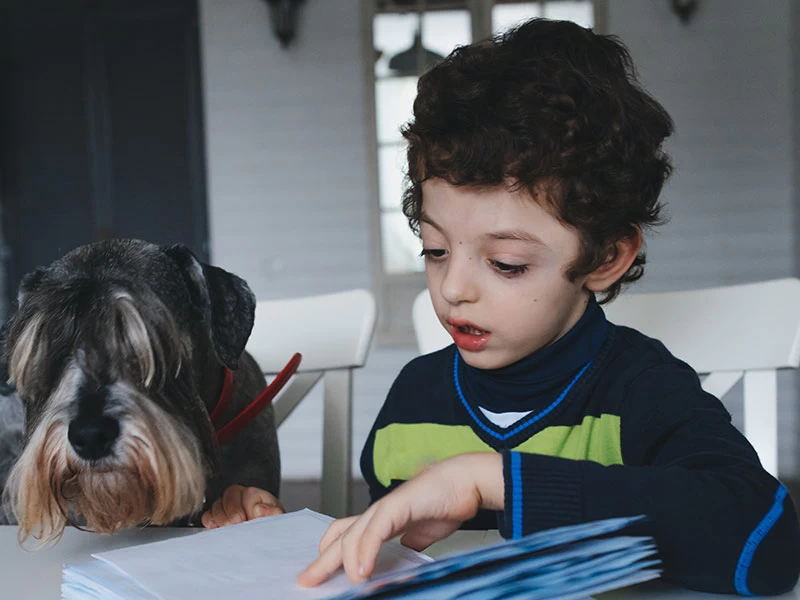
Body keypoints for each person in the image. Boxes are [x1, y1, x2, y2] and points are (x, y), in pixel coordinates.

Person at [201, 18, 800, 596]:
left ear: (606, 257)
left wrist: (493, 480)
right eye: (435, 250)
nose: (453, 288)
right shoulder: (412, 404)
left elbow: (767, 544)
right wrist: (272, 525)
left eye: (506, 263)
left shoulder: (644, 391)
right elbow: (397, 565)